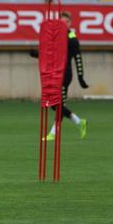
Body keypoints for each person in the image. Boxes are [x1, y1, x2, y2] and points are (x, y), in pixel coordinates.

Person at [30, 11, 89, 140]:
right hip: (54, 73)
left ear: (70, 23)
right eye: (61, 22)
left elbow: (78, 58)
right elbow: (50, 54)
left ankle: (53, 133)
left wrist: (81, 77)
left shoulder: (72, 39)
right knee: (54, 104)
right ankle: (79, 122)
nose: (64, 24)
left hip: (65, 75)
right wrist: (36, 54)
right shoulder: (55, 37)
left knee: (59, 103)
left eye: (66, 22)